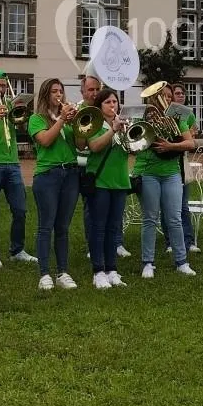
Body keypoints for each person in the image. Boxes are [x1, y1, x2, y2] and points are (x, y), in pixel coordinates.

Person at [133, 87, 198, 279]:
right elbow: (134, 147)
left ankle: (181, 262)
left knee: (174, 218)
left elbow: (190, 143)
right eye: (162, 96)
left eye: (169, 96)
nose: (166, 99)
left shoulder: (177, 118)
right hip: (148, 172)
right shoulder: (142, 117)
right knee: (150, 218)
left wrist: (171, 146)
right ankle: (148, 263)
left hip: (171, 173)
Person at [29, 78, 82, 291]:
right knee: (46, 226)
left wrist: (77, 124)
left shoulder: (67, 120)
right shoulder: (36, 119)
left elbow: (80, 145)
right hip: (47, 175)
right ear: (45, 95)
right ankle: (44, 274)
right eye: (54, 91)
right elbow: (45, 140)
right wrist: (61, 119)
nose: (58, 94)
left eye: (60, 91)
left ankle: (62, 272)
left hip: (70, 173)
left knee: (63, 227)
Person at [0, 70, 36, 267]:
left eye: (3, 85)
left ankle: (17, 250)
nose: (1, 89)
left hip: (12, 163)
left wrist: (21, 114)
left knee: (20, 209)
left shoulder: (11, 104)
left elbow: (22, 128)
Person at [76, 89, 132, 289]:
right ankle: (98, 271)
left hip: (120, 180)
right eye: (108, 102)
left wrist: (127, 132)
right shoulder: (95, 123)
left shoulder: (122, 124)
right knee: (98, 227)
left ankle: (112, 270)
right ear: (100, 106)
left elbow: (134, 148)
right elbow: (94, 146)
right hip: (100, 181)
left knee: (113, 228)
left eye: (114, 101)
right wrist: (113, 130)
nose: (112, 105)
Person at [170, 83, 201, 254]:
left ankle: (188, 240)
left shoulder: (187, 113)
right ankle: (170, 241)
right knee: (170, 206)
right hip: (170, 160)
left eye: (182, 93)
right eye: (177, 93)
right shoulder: (167, 113)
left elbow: (194, 132)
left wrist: (192, 133)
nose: (181, 95)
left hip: (183, 159)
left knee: (183, 205)